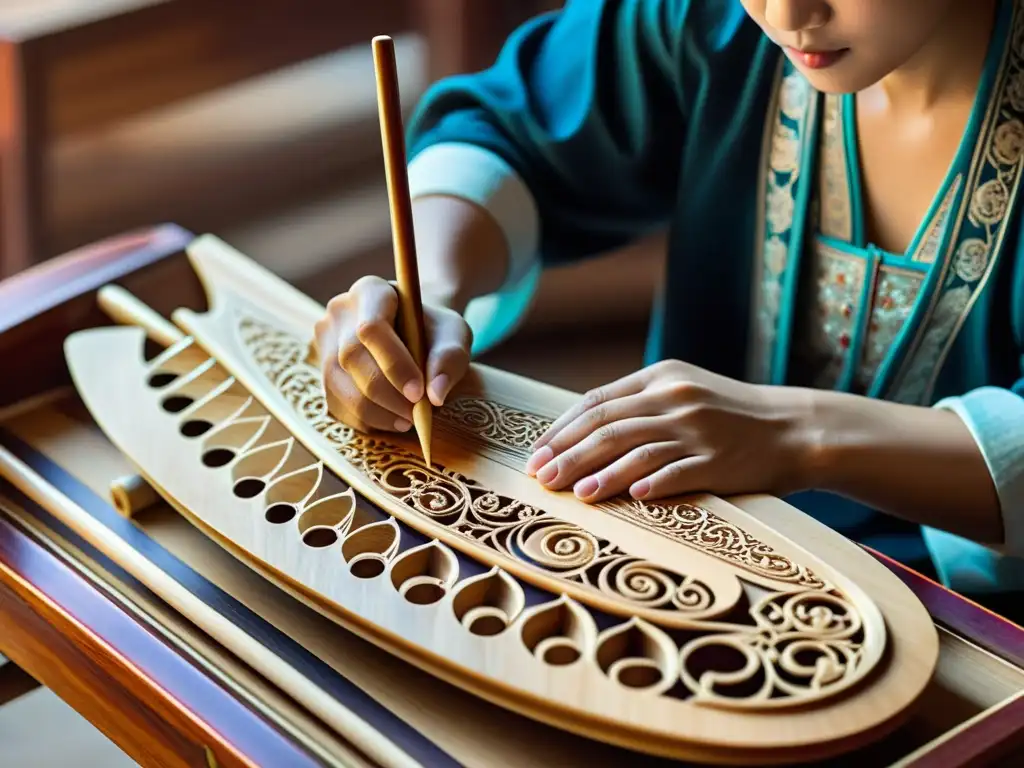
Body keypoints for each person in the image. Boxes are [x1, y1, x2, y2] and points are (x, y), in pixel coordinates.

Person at [314, 0, 1024, 606]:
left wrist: (802, 435)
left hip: (980, 630)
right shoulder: (709, 14)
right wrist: (427, 296)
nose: (785, 16)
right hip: (678, 566)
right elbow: (515, 131)